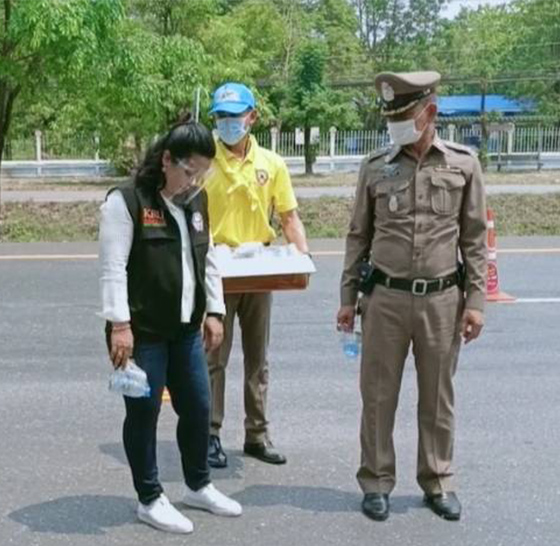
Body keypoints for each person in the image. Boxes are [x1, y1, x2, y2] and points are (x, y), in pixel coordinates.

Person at [336, 71, 487, 522]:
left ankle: (438, 480)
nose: (394, 125)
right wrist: (347, 297)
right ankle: (376, 481)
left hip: (442, 300)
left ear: (429, 112)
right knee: (378, 396)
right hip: (384, 299)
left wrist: (476, 302)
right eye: (390, 117)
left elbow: (475, 239)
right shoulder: (375, 167)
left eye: (402, 116)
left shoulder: (463, 165)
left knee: (437, 397)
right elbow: (358, 236)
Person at [98, 118, 242, 534]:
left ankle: (198, 485)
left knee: (198, 406)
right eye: (189, 171)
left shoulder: (195, 201)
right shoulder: (127, 202)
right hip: (142, 332)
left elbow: (208, 259)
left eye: (202, 173)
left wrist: (214, 311)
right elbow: (112, 269)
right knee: (144, 413)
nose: (194, 181)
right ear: (166, 160)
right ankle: (149, 498)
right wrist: (119, 326)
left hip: (185, 330)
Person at [204, 83, 309, 468]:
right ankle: (208, 434)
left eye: (234, 116)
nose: (227, 123)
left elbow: (288, 217)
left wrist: (302, 259)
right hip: (216, 271)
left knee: (258, 359)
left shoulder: (271, 164)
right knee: (213, 356)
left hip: (258, 270)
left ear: (252, 117)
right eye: (221, 117)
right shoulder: (204, 161)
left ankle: (257, 434)